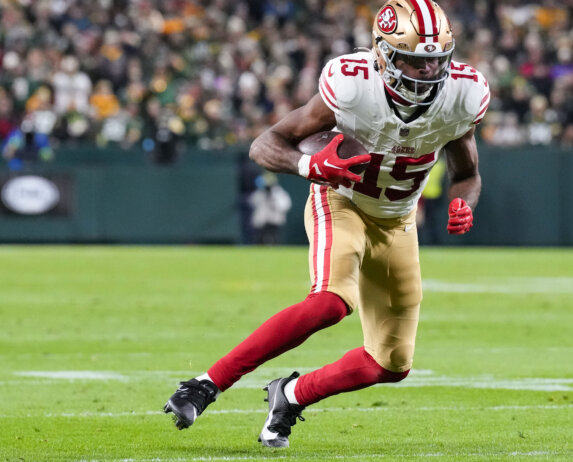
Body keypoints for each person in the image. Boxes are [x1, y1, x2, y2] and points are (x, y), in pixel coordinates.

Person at [163, 0, 487, 448]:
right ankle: (205, 384)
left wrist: (463, 202)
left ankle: (291, 396)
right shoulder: (354, 86)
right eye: (416, 59)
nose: (429, 71)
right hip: (343, 202)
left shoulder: (463, 94)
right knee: (330, 303)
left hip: (398, 222)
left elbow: (466, 174)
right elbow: (265, 144)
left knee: (391, 365)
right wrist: (310, 165)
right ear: (385, 55)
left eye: (437, 59)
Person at [249, 172, 292, 245]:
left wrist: (273, 198)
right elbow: (252, 202)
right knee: (259, 240)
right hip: (261, 222)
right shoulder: (259, 193)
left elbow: (285, 205)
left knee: (275, 239)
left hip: (275, 220)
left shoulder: (278, 193)